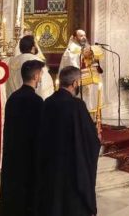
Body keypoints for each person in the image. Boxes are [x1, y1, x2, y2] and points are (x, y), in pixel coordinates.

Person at [36, 67, 101, 216]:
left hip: (52, 164)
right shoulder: (77, 105)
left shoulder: (48, 102)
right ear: (75, 83)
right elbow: (90, 139)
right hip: (72, 167)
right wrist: (96, 136)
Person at [0, 60, 45, 216]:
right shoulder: (36, 101)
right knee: (27, 199)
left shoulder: (13, 98)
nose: (41, 77)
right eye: (41, 74)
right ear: (36, 76)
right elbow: (40, 132)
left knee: (12, 197)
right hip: (29, 157)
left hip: (12, 156)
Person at [60, 29, 102, 116]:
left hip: (87, 80)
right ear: (75, 38)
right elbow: (71, 66)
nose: (84, 37)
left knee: (87, 101)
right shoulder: (71, 50)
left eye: (84, 35)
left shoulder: (87, 48)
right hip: (76, 83)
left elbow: (90, 62)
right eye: (81, 36)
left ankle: (88, 117)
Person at [8, 35, 54, 100]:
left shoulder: (11, 62)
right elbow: (45, 85)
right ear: (33, 48)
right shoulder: (37, 61)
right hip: (32, 101)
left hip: (14, 99)